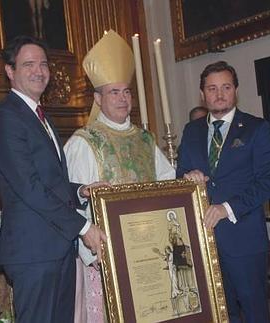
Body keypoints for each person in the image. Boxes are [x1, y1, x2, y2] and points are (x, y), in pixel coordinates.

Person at [0, 35, 106, 323]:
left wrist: (81, 191)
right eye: (28, 64)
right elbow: (29, 187)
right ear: (10, 71)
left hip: (58, 248)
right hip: (34, 253)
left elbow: (49, 180)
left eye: (43, 64)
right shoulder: (5, 117)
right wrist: (84, 226)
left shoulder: (41, 116)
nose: (38, 71)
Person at [63, 30, 175, 323]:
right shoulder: (84, 143)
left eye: (126, 91)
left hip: (149, 253)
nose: (123, 98)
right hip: (106, 257)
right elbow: (72, 201)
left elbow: (169, 187)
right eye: (114, 92)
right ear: (98, 99)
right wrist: (91, 247)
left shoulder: (145, 140)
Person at [177, 61, 270, 323]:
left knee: (254, 311)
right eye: (212, 88)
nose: (219, 94)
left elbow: (269, 181)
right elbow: (180, 175)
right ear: (202, 94)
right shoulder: (192, 131)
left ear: (236, 90)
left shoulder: (256, 128)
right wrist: (188, 178)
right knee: (219, 313)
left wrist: (226, 208)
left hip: (243, 237)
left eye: (226, 87)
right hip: (203, 241)